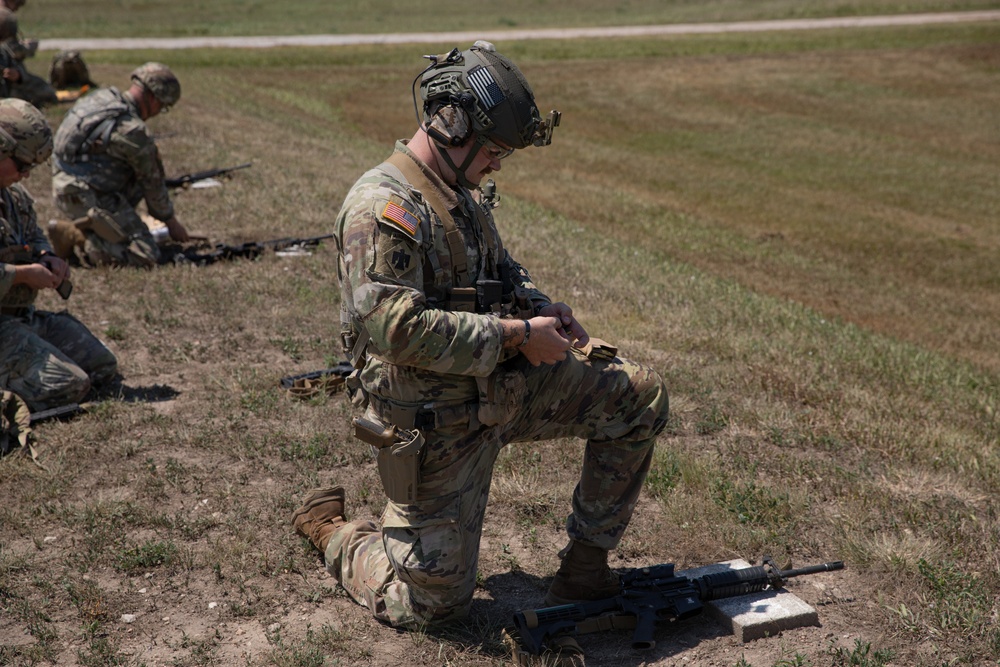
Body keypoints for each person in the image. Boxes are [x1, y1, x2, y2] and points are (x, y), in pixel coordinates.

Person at [291, 41, 670, 630]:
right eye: (493, 150)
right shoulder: (383, 206)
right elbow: (395, 329)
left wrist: (542, 308)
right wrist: (519, 336)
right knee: (429, 608)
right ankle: (338, 533)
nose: (498, 164)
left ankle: (584, 571)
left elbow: (502, 269)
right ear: (451, 124)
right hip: (435, 421)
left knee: (637, 395)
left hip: (499, 389)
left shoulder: (456, 194)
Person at [0, 99, 118, 411]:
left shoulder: (13, 195)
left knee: (101, 365)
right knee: (68, 385)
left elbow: (32, 232)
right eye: (22, 164)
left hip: (17, 317)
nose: (25, 175)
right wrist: (23, 275)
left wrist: (45, 254)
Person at [50, 62, 189, 268]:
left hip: (63, 185)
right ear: (152, 97)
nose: (159, 111)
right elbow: (153, 185)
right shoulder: (133, 132)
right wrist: (171, 223)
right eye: (163, 106)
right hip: (89, 195)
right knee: (146, 255)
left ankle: (93, 228)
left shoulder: (102, 97)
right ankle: (77, 236)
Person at [0, 0, 57, 108]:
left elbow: (9, 61)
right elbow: (13, 51)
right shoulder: (5, 18)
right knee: (46, 92)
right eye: (17, 4)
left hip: (10, 84)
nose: (17, 8)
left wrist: (18, 75)